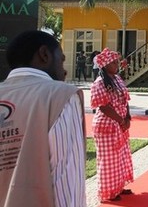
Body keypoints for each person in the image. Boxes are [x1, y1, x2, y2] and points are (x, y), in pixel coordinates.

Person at [0, 30, 86, 207]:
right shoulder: (61, 95)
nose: (64, 70)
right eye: (61, 60)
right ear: (44, 54)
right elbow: (67, 183)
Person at [91, 48, 134, 202]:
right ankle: (108, 192)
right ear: (105, 65)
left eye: (117, 62)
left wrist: (127, 118)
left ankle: (118, 186)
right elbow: (103, 106)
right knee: (108, 160)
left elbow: (125, 99)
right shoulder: (100, 83)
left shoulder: (117, 79)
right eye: (113, 62)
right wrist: (120, 120)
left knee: (120, 157)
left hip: (120, 125)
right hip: (107, 127)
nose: (117, 64)